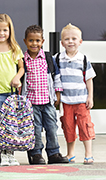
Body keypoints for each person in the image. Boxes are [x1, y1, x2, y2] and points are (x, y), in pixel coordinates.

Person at [22, 25, 69, 164]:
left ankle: (54, 153)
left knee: (52, 127)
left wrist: (58, 94)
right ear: (25, 41)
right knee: (35, 130)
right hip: (31, 103)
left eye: (37, 40)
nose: (34, 44)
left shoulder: (48, 58)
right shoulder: (23, 60)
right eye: (31, 40)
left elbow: (56, 76)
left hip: (48, 102)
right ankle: (35, 154)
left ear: (42, 41)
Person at [0, 14, 24, 166]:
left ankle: (10, 154)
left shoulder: (15, 48)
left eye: (5, 30)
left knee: (11, 124)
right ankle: (1, 154)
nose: (2, 33)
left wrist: (17, 78)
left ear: (10, 31)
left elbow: (21, 68)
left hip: (11, 93)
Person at [56, 23, 96, 164]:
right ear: (62, 43)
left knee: (85, 126)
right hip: (66, 102)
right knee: (68, 127)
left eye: (74, 39)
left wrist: (90, 97)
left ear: (80, 42)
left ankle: (88, 154)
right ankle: (70, 154)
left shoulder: (83, 59)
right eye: (67, 39)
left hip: (81, 100)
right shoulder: (58, 59)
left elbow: (89, 80)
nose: (70, 41)